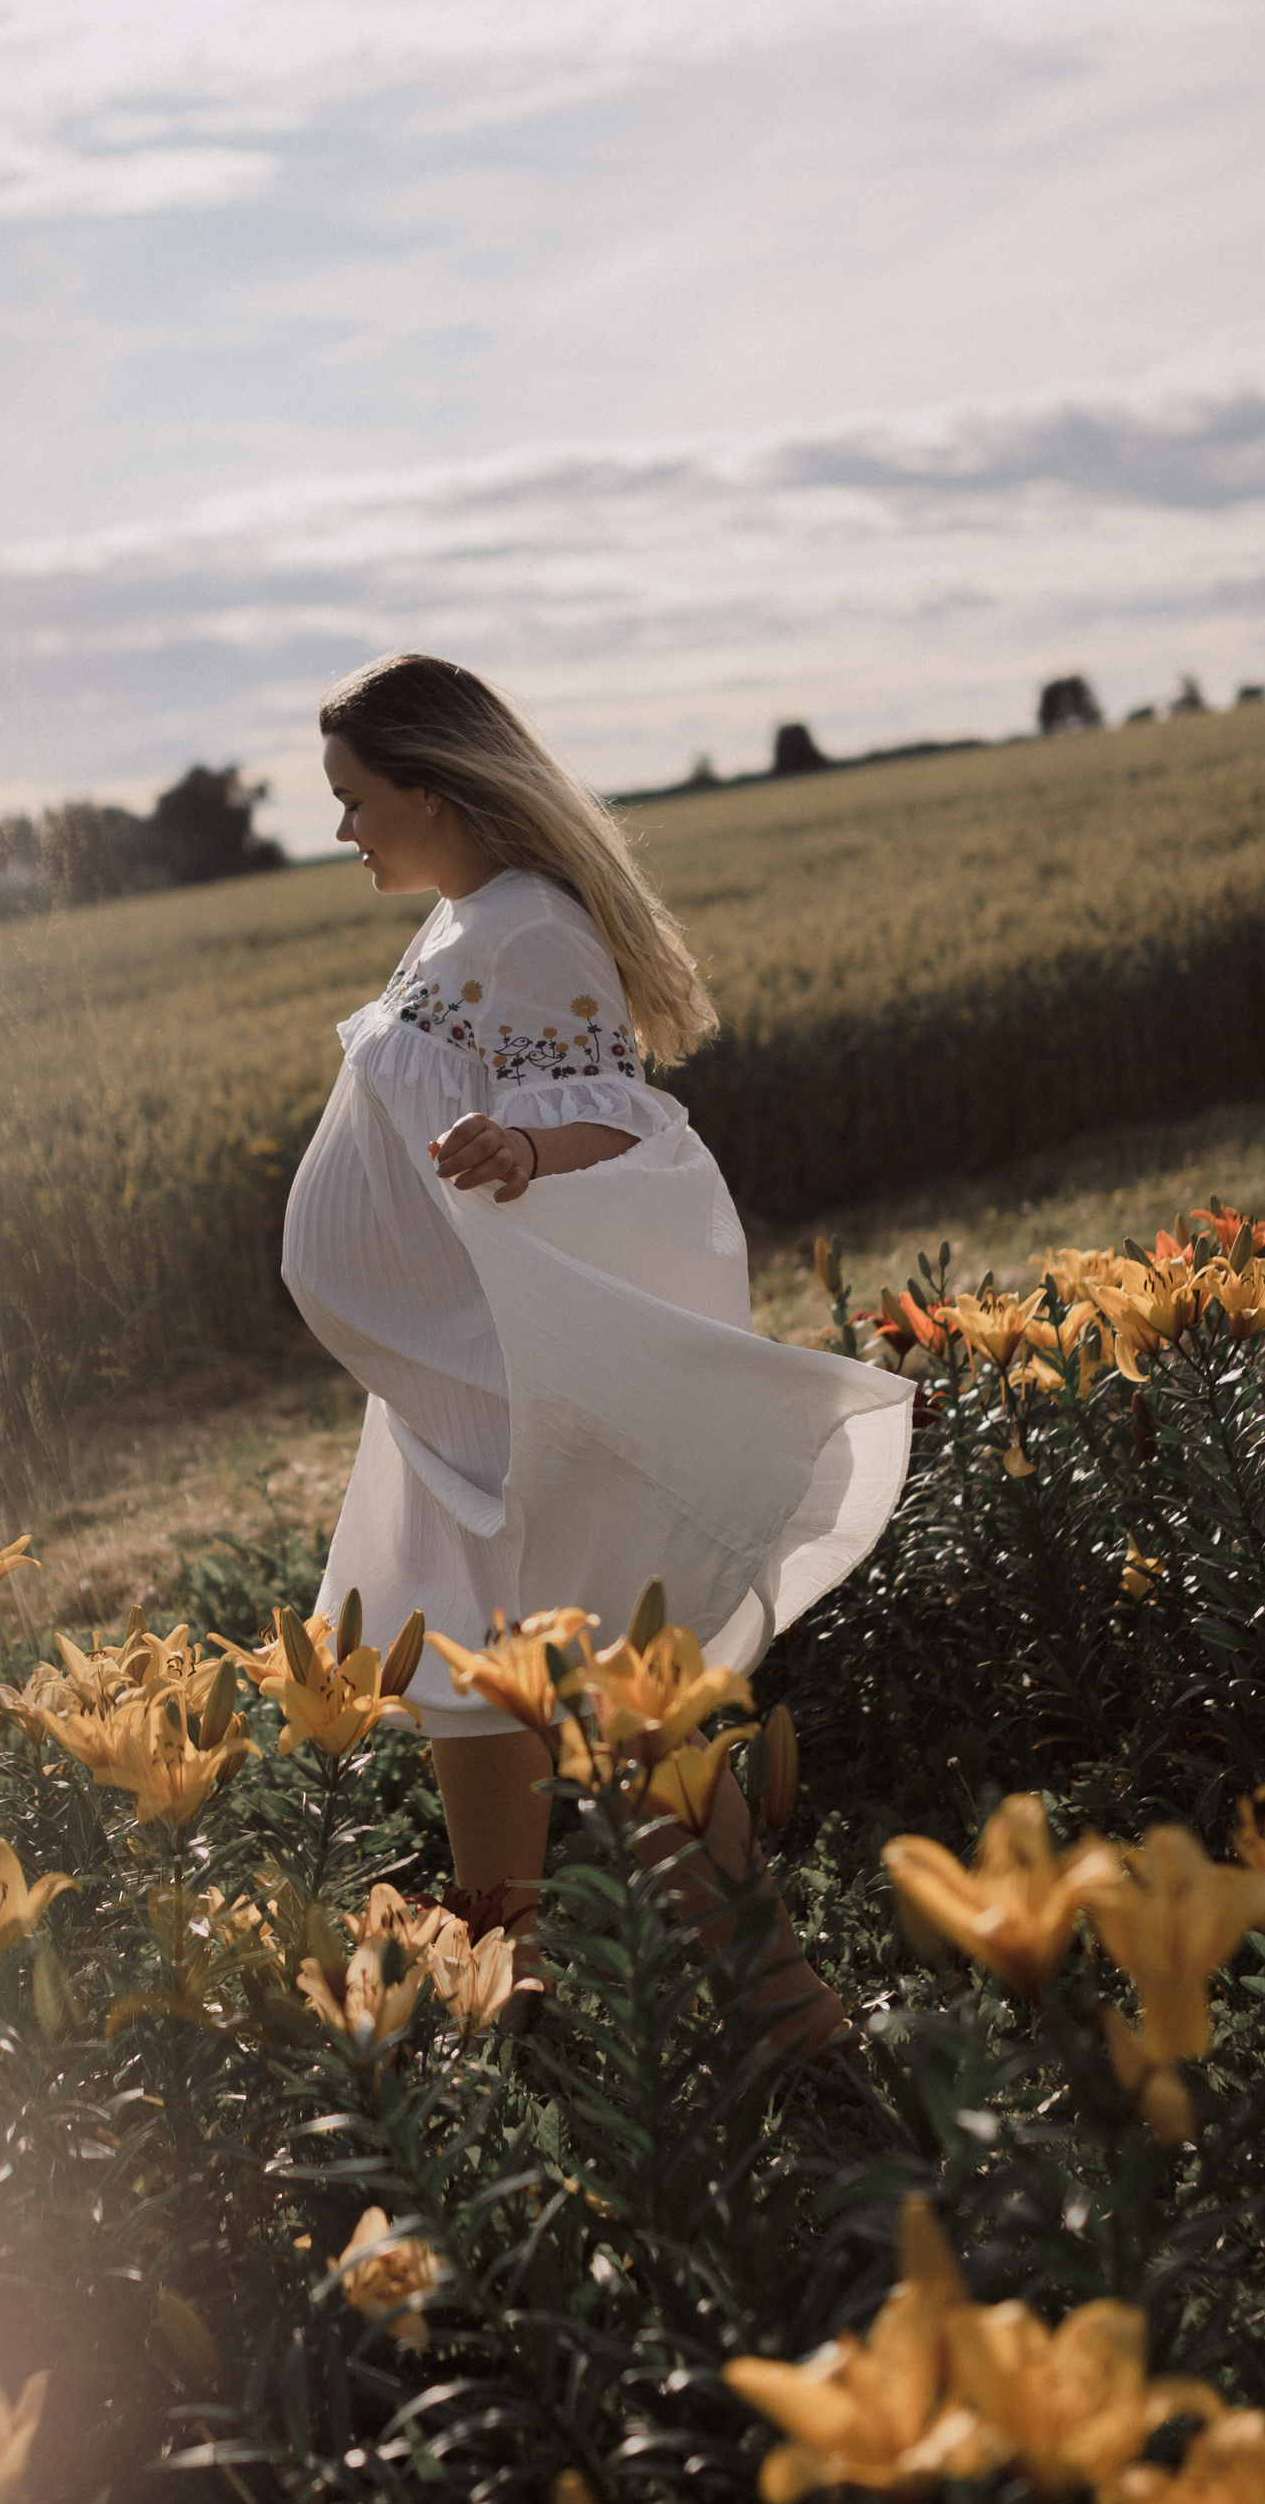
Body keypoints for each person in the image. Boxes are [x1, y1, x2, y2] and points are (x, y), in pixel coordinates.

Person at [280, 653, 912, 2055]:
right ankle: (511, 1976)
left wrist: (522, 1144)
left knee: (617, 1675)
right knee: (467, 1673)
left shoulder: (529, 926)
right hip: (445, 1381)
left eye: (356, 798)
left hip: (511, 1372)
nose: (342, 831)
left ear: (433, 790)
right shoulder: (462, 920)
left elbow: (614, 1113)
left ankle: (789, 2010)